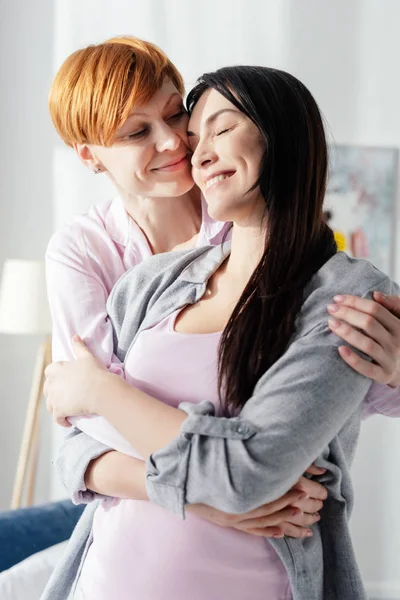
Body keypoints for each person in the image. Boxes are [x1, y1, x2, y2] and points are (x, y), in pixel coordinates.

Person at [43, 65, 400, 600]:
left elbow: (248, 474)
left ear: (283, 132)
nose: (195, 153)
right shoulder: (148, 283)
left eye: (221, 128)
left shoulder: (342, 294)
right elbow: (75, 452)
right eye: (196, 137)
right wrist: (200, 494)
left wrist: (101, 391)